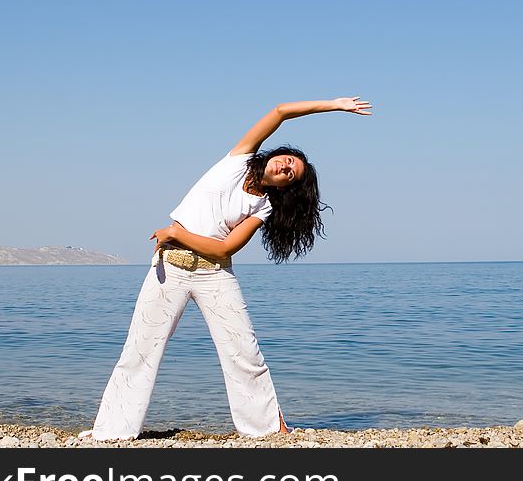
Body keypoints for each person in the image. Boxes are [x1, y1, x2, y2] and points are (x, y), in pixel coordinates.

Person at [80, 97, 372, 440]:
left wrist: (176, 232)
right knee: (140, 350)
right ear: (277, 155)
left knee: (243, 351)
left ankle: (265, 429)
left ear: (285, 188)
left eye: (291, 175)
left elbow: (224, 247)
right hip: (169, 268)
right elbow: (280, 112)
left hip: (214, 273)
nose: (285, 168)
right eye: (288, 161)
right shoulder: (238, 158)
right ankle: (111, 431)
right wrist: (334, 105)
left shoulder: (261, 208)